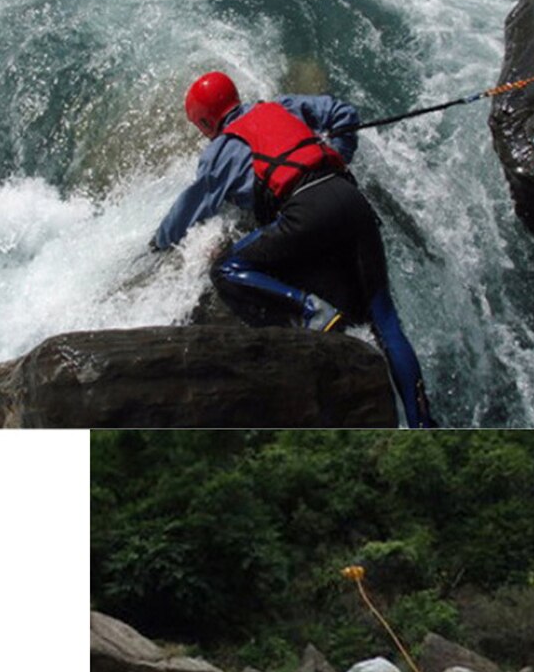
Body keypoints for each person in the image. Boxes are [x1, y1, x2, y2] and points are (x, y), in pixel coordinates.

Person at [151, 70, 436, 428]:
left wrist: (158, 243)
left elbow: (189, 209)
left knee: (225, 269)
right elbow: (343, 113)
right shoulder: (282, 106)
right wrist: (338, 155)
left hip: (306, 210)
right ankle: (423, 422)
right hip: (350, 198)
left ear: (206, 121)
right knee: (386, 322)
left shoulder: (219, 152)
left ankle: (309, 309)